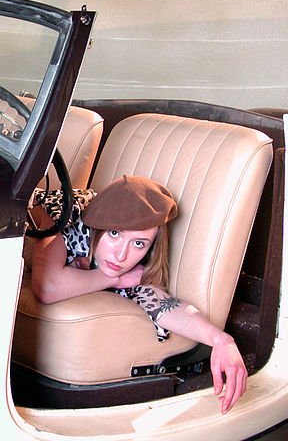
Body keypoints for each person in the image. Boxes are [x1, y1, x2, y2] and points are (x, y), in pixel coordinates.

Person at [29, 175, 247, 414]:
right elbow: (47, 286)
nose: (121, 255)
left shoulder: (134, 269)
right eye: (114, 234)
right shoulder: (64, 216)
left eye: (139, 243)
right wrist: (113, 278)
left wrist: (221, 340)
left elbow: (164, 305)